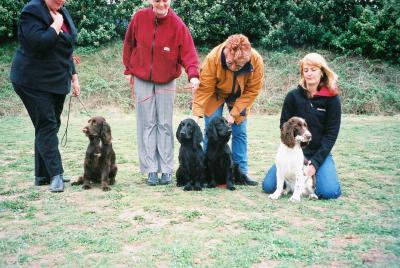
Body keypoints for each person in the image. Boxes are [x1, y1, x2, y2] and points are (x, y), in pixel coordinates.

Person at [123, 0, 200, 186]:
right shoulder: (139, 17)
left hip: (167, 80)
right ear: (151, 1)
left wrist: (193, 76)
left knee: (164, 124)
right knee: (147, 124)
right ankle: (150, 169)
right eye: (157, 0)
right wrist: (128, 69)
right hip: (142, 79)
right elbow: (129, 44)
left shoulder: (177, 24)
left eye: (165, 0)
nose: (161, 4)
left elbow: (189, 53)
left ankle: (166, 169)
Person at [10, 0, 80, 192]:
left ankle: (42, 175)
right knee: (47, 124)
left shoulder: (63, 11)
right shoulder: (31, 11)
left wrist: (74, 77)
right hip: (31, 80)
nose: (61, 0)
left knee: (49, 125)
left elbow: (68, 48)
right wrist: (55, 26)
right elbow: (38, 43)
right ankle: (55, 174)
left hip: (57, 80)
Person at [262, 53, 342, 199]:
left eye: (313, 69)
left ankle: (318, 174)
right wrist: (295, 148)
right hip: (294, 150)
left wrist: (315, 164)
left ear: (322, 72)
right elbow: (283, 125)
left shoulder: (332, 99)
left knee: (328, 192)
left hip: (319, 152)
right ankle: (296, 180)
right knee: (268, 186)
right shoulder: (292, 96)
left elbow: (331, 135)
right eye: (306, 70)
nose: (309, 74)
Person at [192, 34, 264, 184]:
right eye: (230, 63)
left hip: (241, 96)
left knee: (240, 132)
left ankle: (240, 174)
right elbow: (204, 89)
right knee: (210, 131)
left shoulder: (256, 60)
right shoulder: (213, 58)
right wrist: (196, 115)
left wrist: (234, 114)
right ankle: (208, 173)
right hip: (215, 94)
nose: (232, 68)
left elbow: (252, 91)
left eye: (238, 66)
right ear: (226, 50)